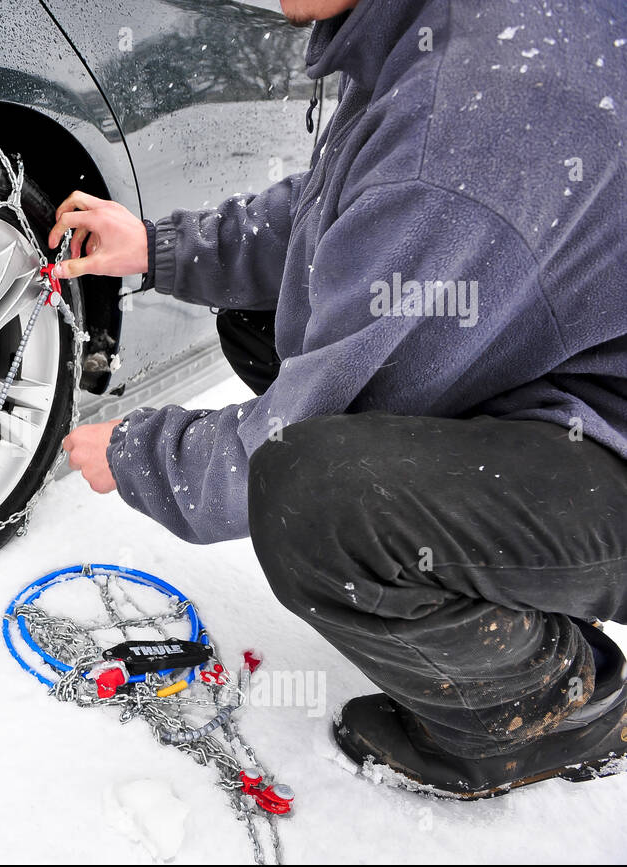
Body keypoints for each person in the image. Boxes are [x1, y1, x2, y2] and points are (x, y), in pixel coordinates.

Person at [50, 0, 627, 798]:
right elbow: (352, 208)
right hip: (573, 372)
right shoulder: (428, 31)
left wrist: (138, 452)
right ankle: (499, 574)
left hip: (608, 460)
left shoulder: (469, 116)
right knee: (271, 322)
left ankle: (552, 704)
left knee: (307, 491)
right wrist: (164, 248)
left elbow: (297, 427)